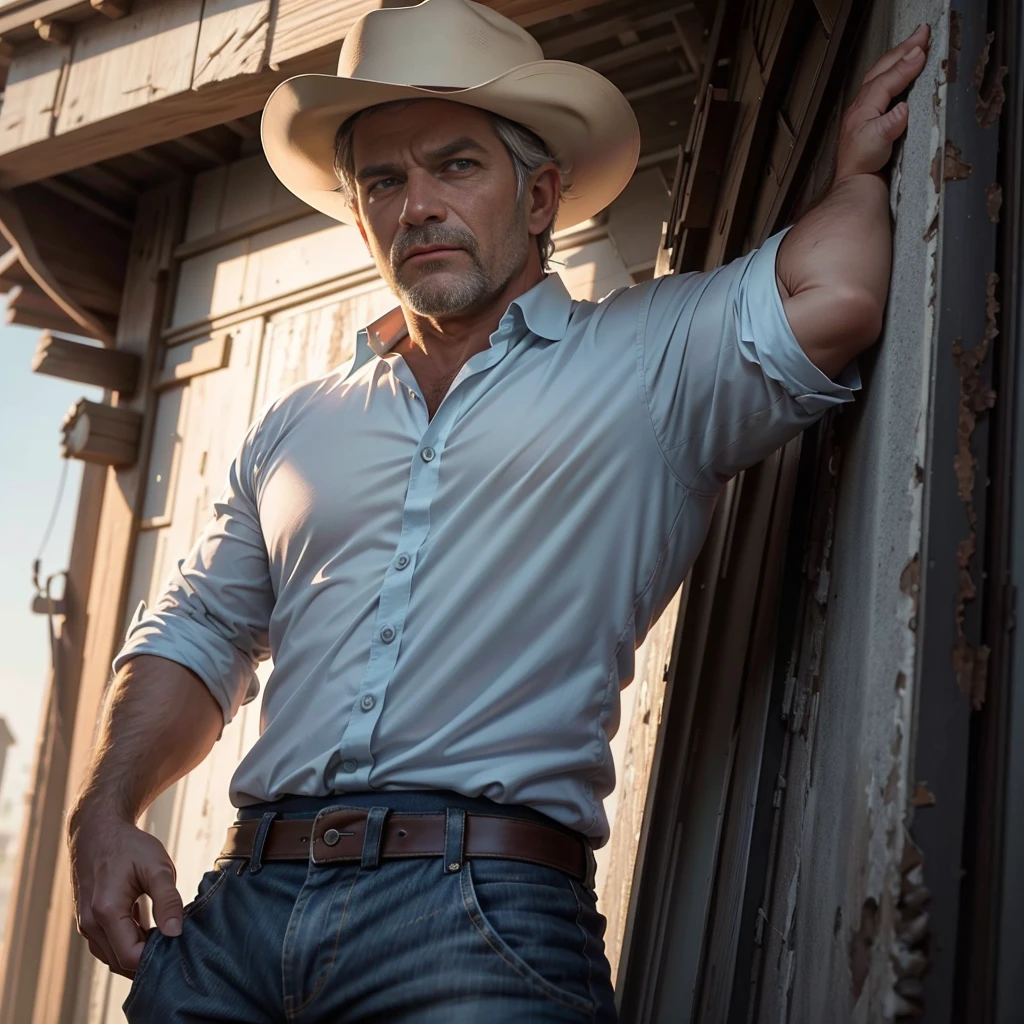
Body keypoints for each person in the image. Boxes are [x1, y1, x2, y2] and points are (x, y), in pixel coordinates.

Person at [66, 1, 931, 1020]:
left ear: (540, 196)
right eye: (382, 181)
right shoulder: (299, 424)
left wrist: (855, 177)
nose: (416, 205)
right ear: (359, 213)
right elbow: (203, 630)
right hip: (233, 922)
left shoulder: (644, 360)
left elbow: (835, 291)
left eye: (455, 166)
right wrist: (104, 807)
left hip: (474, 917)